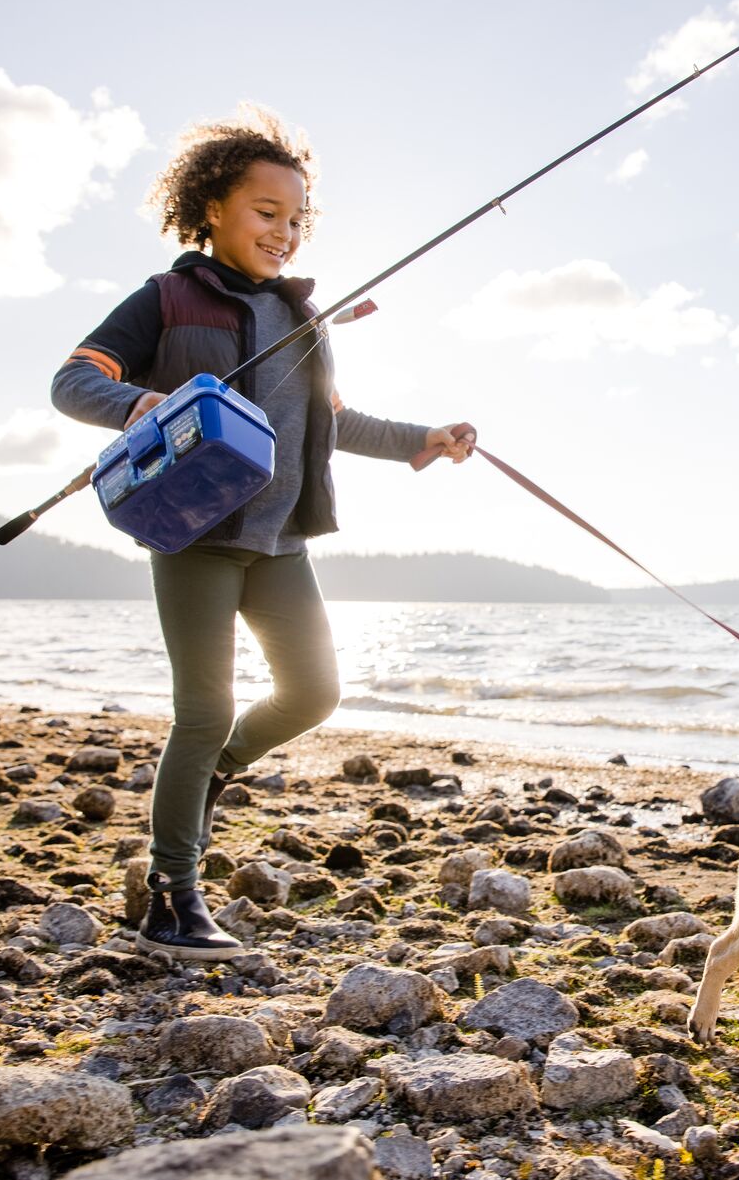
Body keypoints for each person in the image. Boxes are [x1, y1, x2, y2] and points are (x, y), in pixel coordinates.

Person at [50, 105, 472, 960]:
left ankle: (210, 779)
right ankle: (172, 895)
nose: (282, 233)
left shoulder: (303, 320)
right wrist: (138, 401)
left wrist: (423, 440)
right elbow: (72, 379)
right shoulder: (165, 300)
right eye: (264, 213)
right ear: (212, 207)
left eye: (294, 219)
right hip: (194, 533)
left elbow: (333, 424)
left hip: (282, 541)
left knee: (313, 693)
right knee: (202, 711)